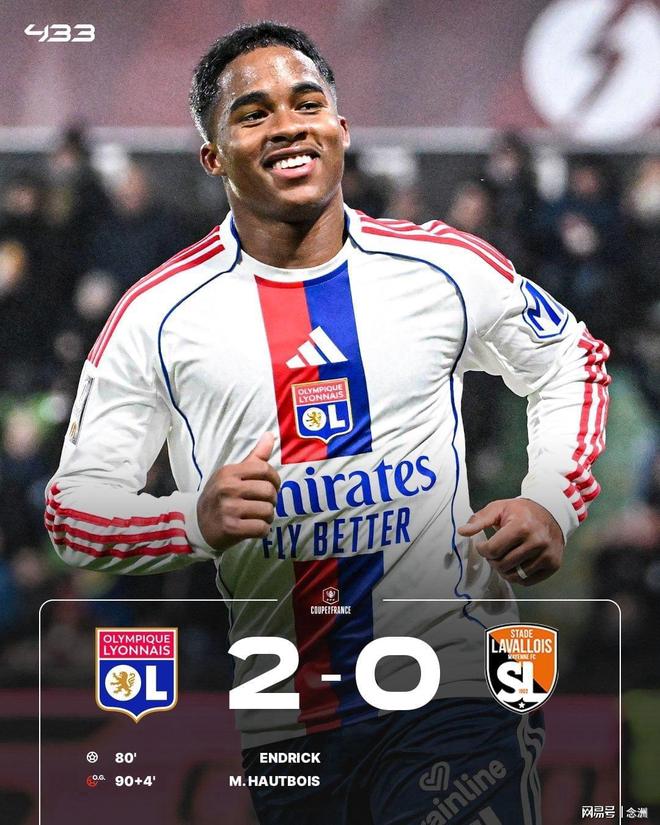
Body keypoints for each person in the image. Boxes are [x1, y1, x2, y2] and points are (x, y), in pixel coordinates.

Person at [45, 22, 610, 825]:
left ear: (340, 128)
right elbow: (73, 511)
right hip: (288, 719)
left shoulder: (442, 267)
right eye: (253, 114)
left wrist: (551, 498)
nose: (288, 126)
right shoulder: (156, 318)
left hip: (452, 688)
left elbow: (570, 358)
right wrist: (190, 519)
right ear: (212, 156)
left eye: (307, 104)